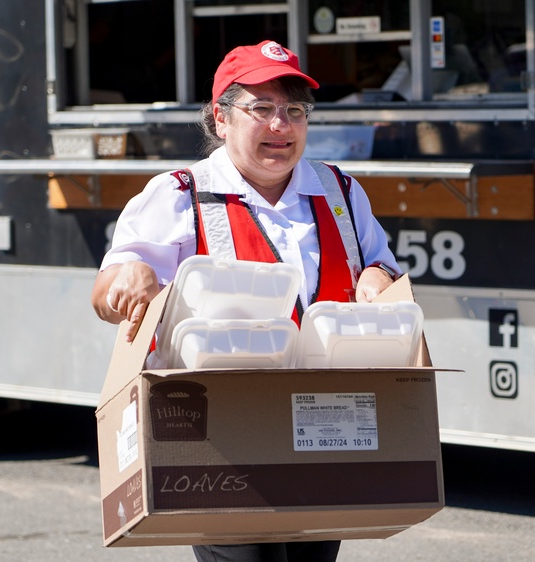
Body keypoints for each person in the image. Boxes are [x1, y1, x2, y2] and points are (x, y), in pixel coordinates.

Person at [90, 40, 402, 562]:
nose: (282, 126)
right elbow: (104, 297)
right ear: (221, 117)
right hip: (220, 436)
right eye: (262, 109)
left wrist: (376, 276)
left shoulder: (342, 191)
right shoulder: (178, 194)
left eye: (296, 111)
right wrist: (131, 276)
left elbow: (382, 266)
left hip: (324, 427)